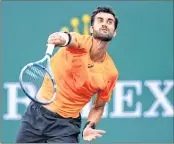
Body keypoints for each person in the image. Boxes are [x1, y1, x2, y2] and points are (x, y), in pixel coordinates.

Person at [16, 6, 119, 143]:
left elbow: (99, 106)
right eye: (100, 20)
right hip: (35, 116)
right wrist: (60, 38)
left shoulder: (110, 73)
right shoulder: (80, 42)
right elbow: (68, 38)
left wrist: (90, 125)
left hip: (65, 127)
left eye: (109, 22)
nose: (105, 24)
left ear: (114, 32)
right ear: (91, 28)